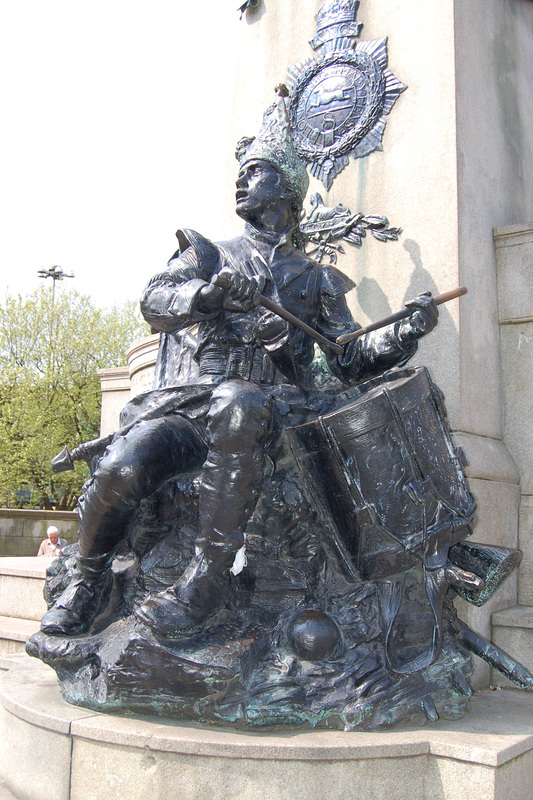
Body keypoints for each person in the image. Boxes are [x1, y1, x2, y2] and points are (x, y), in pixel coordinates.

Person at [40, 98, 438, 639]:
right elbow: (155, 300)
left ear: (287, 193)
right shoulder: (209, 252)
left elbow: (343, 358)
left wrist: (401, 334)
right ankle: (88, 583)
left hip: (272, 416)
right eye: (241, 173)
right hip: (193, 408)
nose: (241, 182)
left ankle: (206, 580)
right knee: (125, 461)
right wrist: (208, 295)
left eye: (256, 173)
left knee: (242, 401)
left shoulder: (317, 279)